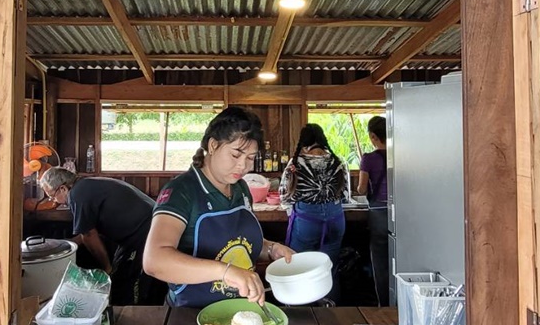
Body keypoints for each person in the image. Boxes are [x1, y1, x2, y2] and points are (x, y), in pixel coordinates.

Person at [143, 105, 295, 308]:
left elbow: (239, 241)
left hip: (241, 310)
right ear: (213, 146)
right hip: (190, 316)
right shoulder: (182, 191)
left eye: (250, 158)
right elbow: (154, 261)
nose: (244, 166)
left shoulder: (240, 188)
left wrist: (271, 248)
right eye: (235, 155)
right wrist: (225, 271)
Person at [39, 168, 166, 306]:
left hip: (144, 232)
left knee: (128, 282)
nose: (55, 201)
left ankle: (135, 316)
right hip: (142, 229)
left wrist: (106, 267)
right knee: (119, 277)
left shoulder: (77, 194)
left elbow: (88, 235)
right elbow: (87, 232)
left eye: (52, 196)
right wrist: (68, 244)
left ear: (63, 188)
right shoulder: (85, 185)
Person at [279, 123, 351, 302]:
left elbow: (284, 198)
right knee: (329, 268)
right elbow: (346, 196)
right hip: (336, 219)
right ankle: (331, 312)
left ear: (303, 142)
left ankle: (303, 311)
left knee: (300, 268)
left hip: (306, 221)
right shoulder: (338, 161)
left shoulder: (296, 162)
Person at [357, 115, 390, 307]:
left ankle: (383, 304)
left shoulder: (368, 159)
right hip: (401, 212)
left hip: (378, 211)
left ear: (373, 136)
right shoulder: (401, 154)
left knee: (380, 261)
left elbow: (361, 189)